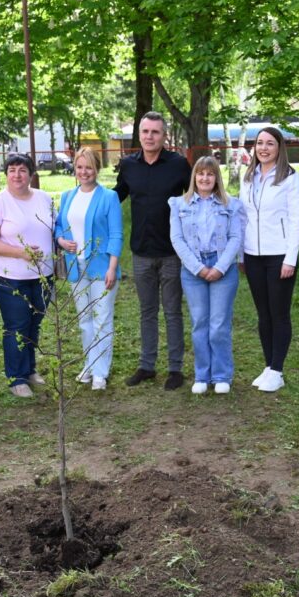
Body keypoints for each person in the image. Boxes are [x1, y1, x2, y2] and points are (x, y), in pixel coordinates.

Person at [115, 111, 191, 390]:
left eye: (155, 132)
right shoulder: (128, 165)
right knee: (147, 311)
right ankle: (147, 366)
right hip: (141, 252)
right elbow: (115, 196)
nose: (149, 136)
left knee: (172, 311)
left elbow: (196, 197)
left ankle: (175, 369)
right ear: (139, 134)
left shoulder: (178, 164)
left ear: (164, 136)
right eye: (145, 131)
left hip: (172, 251)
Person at [169, 157, 245, 394]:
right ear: (194, 177)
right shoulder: (179, 204)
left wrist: (220, 267)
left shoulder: (230, 204)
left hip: (223, 266)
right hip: (193, 268)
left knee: (219, 324)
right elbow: (177, 239)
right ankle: (202, 375)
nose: (205, 178)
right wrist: (198, 268)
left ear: (216, 178)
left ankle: (221, 375)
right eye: (200, 173)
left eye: (210, 174)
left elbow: (236, 237)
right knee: (200, 322)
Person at [0, 153, 54, 398]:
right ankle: (16, 378)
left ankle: (30, 369)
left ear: (31, 174)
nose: (17, 175)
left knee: (34, 323)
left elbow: (53, 230)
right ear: (6, 174)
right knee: (17, 325)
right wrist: (20, 253)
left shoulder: (44, 198)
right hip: (9, 276)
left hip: (42, 275)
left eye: (22, 170)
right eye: (12, 170)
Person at [238, 126, 299, 393]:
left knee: (279, 313)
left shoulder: (290, 177)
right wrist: (241, 254)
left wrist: (291, 258)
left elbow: (296, 219)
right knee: (263, 314)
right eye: (259, 143)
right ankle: (268, 366)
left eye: (269, 143)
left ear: (279, 148)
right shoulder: (248, 177)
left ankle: (278, 370)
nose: (263, 148)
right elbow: (242, 217)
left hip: (279, 255)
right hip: (253, 255)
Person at [55, 147, 123, 391]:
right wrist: (61, 241)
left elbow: (116, 234)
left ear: (97, 169)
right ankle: (89, 364)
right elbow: (59, 226)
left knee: (102, 319)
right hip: (76, 267)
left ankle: (100, 372)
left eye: (89, 167)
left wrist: (112, 268)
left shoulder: (108, 197)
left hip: (102, 267)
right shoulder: (67, 196)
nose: (84, 172)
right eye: (80, 167)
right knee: (84, 319)